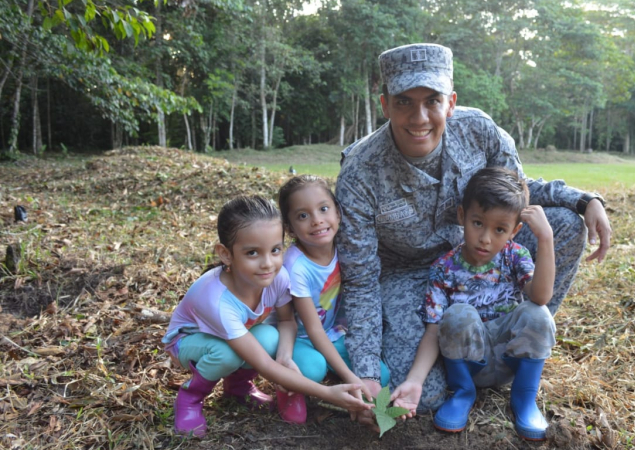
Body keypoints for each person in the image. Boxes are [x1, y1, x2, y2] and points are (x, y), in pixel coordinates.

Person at [335, 43, 611, 430]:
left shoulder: (477, 130)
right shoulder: (360, 171)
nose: (419, 117)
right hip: (411, 276)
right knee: (426, 396)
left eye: (432, 101)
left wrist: (584, 201)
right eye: (404, 102)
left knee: (563, 224)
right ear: (385, 105)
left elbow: (517, 193)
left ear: (451, 102)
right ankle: (467, 368)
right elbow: (361, 278)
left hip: (488, 256)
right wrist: (365, 372)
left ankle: (521, 348)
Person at [162, 195, 371, 438]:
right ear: (226, 254)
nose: (267, 263)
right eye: (252, 253)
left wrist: (284, 356)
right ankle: (190, 398)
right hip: (189, 341)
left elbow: (285, 321)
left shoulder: (278, 277)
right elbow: (263, 364)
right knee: (226, 354)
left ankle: (238, 388)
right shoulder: (216, 300)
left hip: (236, 335)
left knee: (271, 338)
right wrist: (328, 394)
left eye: (275, 250)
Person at [391, 167, 555, 439]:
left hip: (508, 362)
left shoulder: (515, 257)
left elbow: (540, 296)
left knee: (537, 313)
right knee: (457, 315)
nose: (485, 238)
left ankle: (524, 399)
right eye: (478, 223)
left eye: (500, 229)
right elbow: (433, 330)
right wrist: (414, 380)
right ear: (461, 216)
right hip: (468, 366)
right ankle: (463, 394)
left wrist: (545, 238)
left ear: (514, 231)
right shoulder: (444, 268)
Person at [277, 175, 392, 422]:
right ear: (289, 228)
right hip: (303, 338)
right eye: (302, 216)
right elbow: (313, 330)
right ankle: (288, 389)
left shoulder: (346, 247)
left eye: (323, 209)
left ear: (338, 213)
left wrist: (360, 379)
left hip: (333, 331)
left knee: (379, 375)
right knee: (312, 370)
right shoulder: (295, 266)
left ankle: (339, 376)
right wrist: (351, 378)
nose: (317, 220)